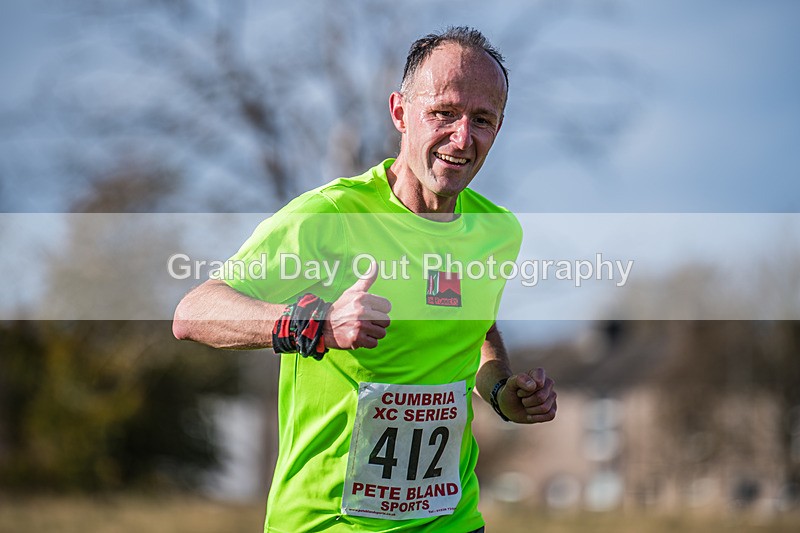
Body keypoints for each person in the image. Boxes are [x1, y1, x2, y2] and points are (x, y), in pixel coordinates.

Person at [173, 26, 557, 533]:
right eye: (443, 113)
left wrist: (505, 392)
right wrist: (316, 325)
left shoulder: (497, 232)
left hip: (451, 522)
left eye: (482, 119)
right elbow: (194, 312)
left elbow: (477, 333)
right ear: (400, 112)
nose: (463, 137)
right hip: (330, 523)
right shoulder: (329, 215)